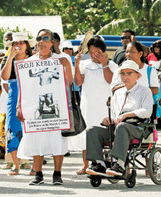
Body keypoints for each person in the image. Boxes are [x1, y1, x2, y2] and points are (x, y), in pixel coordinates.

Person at [17, 29, 73, 185]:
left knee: (57, 140)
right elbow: (24, 88)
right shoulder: (28, 63)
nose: (41, 41)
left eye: (45, 38)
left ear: (52, 42)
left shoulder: (61, 60)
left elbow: (69, 83)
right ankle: (38, 174)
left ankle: (57, 174)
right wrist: (18, 106)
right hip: (35, 106)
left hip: (56, 105)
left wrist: (67, 66)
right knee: (36, 138)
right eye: (38, 38)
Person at [86, 60, 153, 176]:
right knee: (91, 130)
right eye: (123, 74)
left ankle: (120, 164)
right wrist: (108, 118)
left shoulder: (145, 91)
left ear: (138, 76)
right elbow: (114, 113)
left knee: (122, 127)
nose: (125, 77)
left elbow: (148, 111)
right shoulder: (118, 93)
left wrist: (128, 114)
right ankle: (99, 164)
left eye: (129, 73)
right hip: (118, 127)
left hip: (137, 128)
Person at [68, 36, 118, 175]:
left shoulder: (112, 65)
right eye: (90, 52)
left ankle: (108, 163)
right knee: (87, 134)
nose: (93, 55)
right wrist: (77, 65)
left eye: (97, 52)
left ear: (103, 52)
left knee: (105, 134)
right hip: (88, 104)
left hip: (105, 106)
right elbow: (78, 83)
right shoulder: (85, 64)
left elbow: (110, 80)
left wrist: (104, 64)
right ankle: (86, 165)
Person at [0, 32, 33, 175]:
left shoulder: (33, 60)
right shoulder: (8, 60)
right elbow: (5, 76)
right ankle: (15, 164)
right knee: (12, 128)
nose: (18, 46)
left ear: (26, 45)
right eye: (15, 43)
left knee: (31, 129)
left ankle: (34, 164)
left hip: (30, 97)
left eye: (21, 43)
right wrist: (11, 58)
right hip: (13, 97)